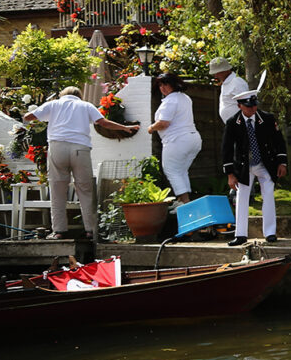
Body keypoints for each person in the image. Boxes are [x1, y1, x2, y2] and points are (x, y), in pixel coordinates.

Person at [24, 87, 139, 239]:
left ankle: (59, 231)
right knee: (85, 190)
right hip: (80, 149)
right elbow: (103, 123)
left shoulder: (53, 104)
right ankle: (90, 230)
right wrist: (125, 127)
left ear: (62, 95)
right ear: (79, 96)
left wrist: (45, 116)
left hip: (57, 147)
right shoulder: (86, 105)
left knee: (57, 190)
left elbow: (28, 116)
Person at [221, 88, 287, 246]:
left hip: (265, 163)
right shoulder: (232, 123)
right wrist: (230, 174)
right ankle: (241, 235)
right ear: (240, 106)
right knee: (242, 197)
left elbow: (279, 141)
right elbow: (227, 148)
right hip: (244, 166)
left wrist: (282, 162)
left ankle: (270, 232)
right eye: (249, 106)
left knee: (269, 195)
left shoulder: (267, 119)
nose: (253, 109)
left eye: (254, 105)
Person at [148, 72, 202, 204]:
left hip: (177, 140)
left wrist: (151, 128)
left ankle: (185, 201)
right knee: (181, 171)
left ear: (173, 84)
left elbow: (164, 123)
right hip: (193, 139)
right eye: (160, 85)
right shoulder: (185, 98)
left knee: (171, 170)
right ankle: (181, 201)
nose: (163, 88)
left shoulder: (170, 100)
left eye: (166, 84)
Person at [209, 57, 248, 123]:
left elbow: (247, 105)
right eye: (214, 74)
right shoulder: (226, 82)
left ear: (226, 70)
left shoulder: (237, 82)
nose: (215, 76)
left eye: (217, 73)